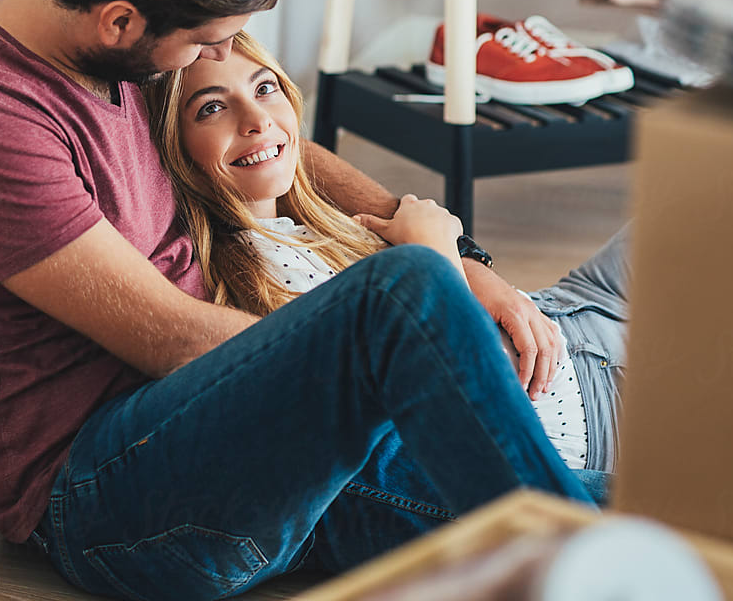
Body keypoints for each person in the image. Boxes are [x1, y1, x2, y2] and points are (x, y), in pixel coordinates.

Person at [0, 0, 603, 601]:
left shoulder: (117, 37)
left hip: (239, 438)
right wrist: (380, 339)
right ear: (120, 21)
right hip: (109, 500)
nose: (220, 53)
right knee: (401, 294)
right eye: (204, 41)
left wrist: (455, 252)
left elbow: (287, 150)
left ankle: (592, 559)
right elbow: (172, 340)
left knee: (630, 513)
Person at [145, 30, 629, 477]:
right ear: (173, 147)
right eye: (212, 108)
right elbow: (454, 401)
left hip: (571, 311)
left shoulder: (310, 222)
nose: (258, 121)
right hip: (597, 414)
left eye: (265, 88)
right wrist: (437, 250)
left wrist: (463, 261)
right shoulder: (263, 274)